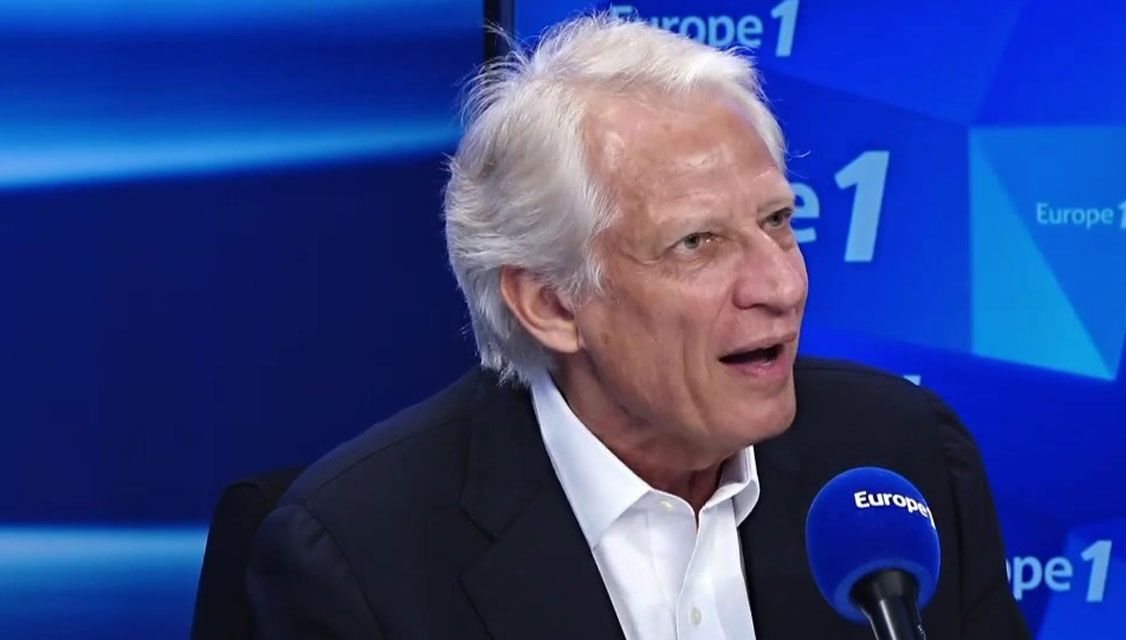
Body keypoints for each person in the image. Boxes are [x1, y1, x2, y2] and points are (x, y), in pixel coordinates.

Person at [247, 15, 1030, 640]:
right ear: (551, 304)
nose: (782, 285)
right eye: (697, 243)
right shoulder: (358, 560)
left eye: (777, 221)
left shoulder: (901, 453)